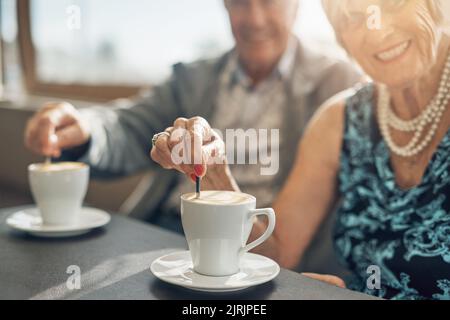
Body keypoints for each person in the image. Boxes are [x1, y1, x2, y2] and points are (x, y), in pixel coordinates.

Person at [151, 0, 450, 299]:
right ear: (341, 37)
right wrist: (215, 172)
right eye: (353, 18)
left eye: (394, 3)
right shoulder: (340, 119)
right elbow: (278, 250)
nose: (378, 31)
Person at [24, 0, 360, 233]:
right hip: (165, 231)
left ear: (297, 6)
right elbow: (128, 126)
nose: (255, 19)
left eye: (269, 1)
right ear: (226, 7)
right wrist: (85, 129)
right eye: (240, 2)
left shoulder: (338, 83)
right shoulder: (193, 78)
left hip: (253, 247)